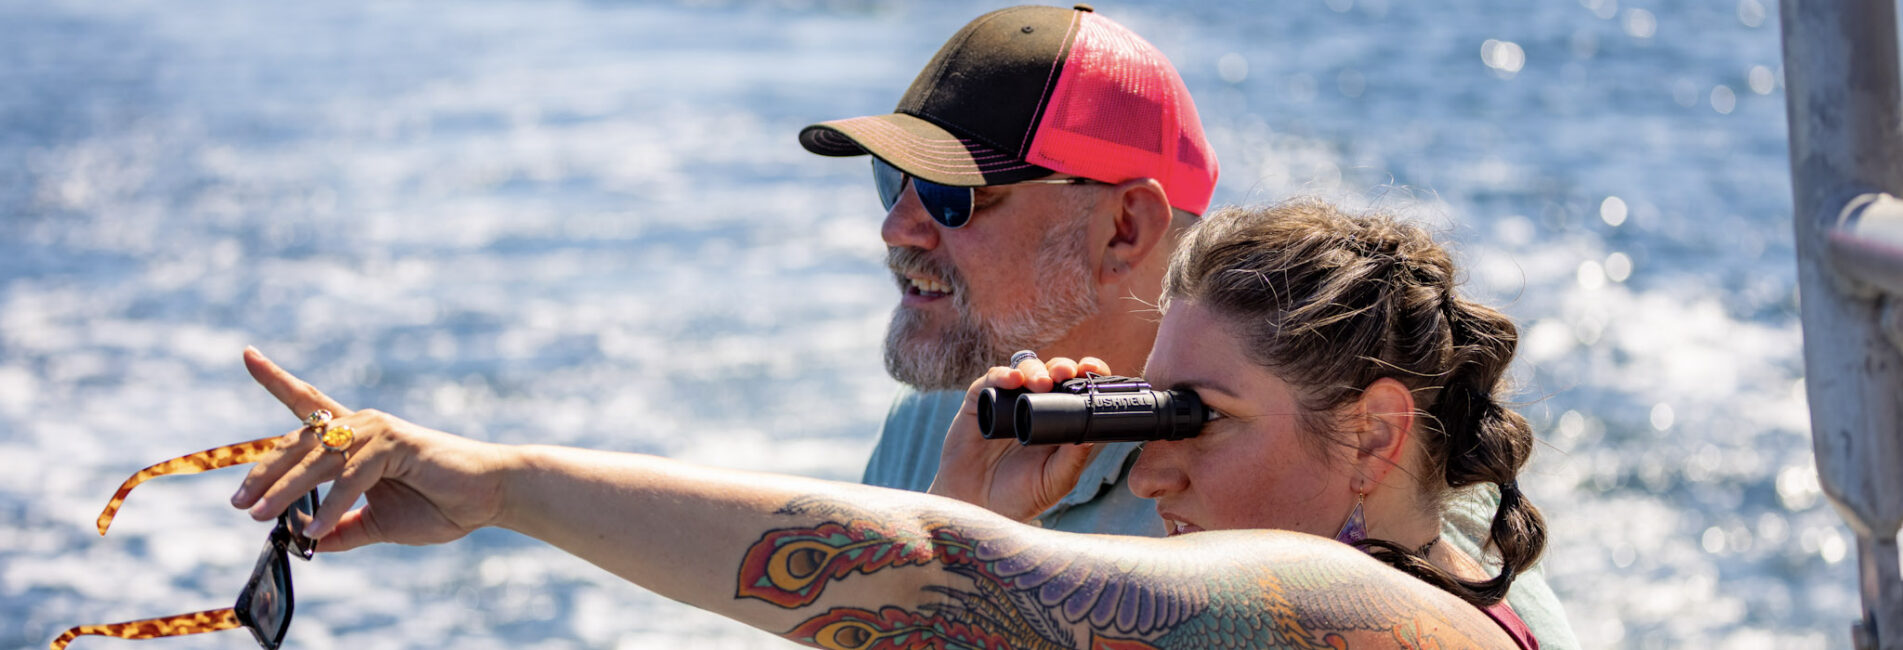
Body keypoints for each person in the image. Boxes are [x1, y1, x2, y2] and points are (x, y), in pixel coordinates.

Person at [219, 199, 1547, 648]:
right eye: (1148, 409)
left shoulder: (1386, 618)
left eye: (1194, 419)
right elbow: (938, 586)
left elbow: (926, 569)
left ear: (1372, 437)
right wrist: (976, 521)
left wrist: (505, 481)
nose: (1148, 468)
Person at [800, 4, 1577, 646]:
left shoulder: (1380, 487)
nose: (896, 227)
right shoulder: (940, 421)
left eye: (950, 194)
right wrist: (956, 531)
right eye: (891, 181)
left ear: (1125, 228)